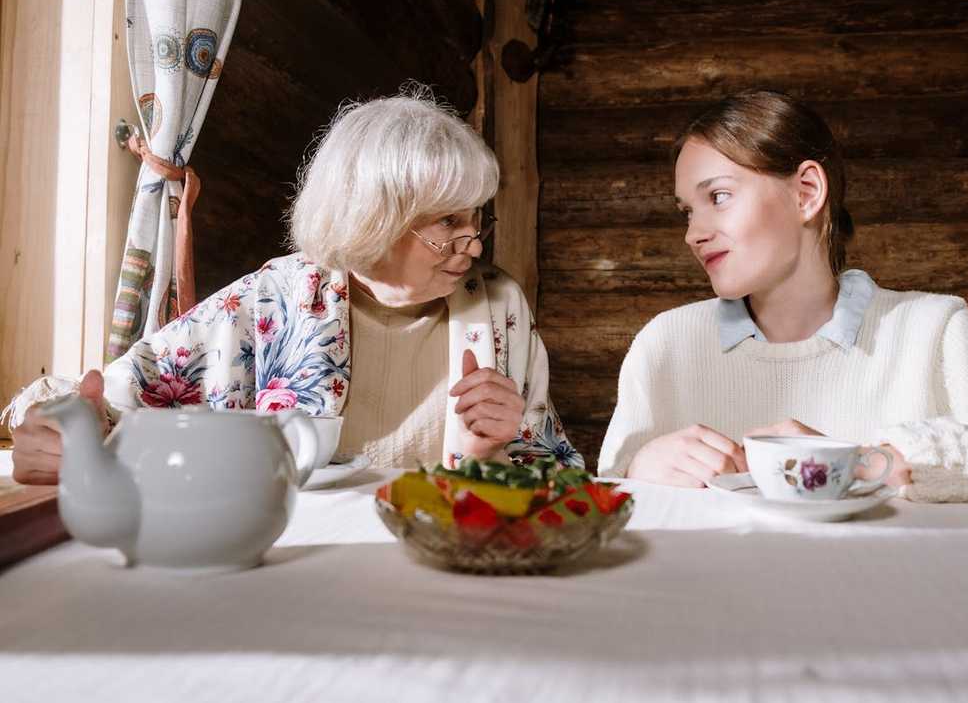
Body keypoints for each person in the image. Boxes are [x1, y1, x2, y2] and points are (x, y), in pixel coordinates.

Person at [6, 89, 581, 485]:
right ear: (371, 220)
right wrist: (53, 427)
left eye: (477, 219)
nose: (475, 245)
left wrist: (497, 450)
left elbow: (556, 472)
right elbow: (110, 401)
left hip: (439, 557)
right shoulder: (278, 298)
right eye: (449, 224)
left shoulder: (499, 304)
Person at [598, 90, 968, 502]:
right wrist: (636, 473)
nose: (694, 232)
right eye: (687, 211)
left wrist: (873, 463)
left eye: (718, 196)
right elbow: (607, 508)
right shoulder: (665, 343)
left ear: (806, 193)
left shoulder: (932, 330)